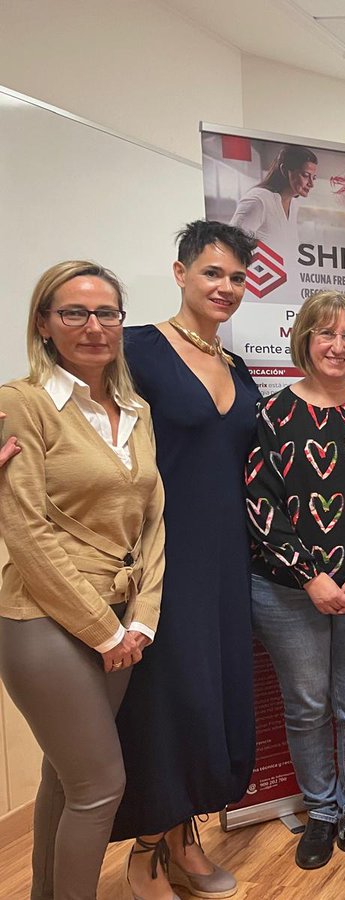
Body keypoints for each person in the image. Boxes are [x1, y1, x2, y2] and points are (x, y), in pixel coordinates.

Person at [0, 261, 165, 900]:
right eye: (74, 313)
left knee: (63, 780)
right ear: (45, 324)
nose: (93, 327)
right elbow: (26, 531)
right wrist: (103, 632)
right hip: (43, 619)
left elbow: (153, 523)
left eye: (107, 314)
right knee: (99, 788)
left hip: (124, 621)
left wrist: (141, 617)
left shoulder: (135, 409)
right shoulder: (23, 402)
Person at [115, 221, 260, 900]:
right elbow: (68, 412)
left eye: (236, 277)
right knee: (165, 699)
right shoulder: (137, 347)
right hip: (162, 555)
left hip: (230, 556)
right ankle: (147, 846)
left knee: (212, 695)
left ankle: (184, 836)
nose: (225, 287)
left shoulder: (238, 369)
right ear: (180, 274)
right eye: (212, 272)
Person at [247, 291, 345, 878]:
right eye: (325, 333)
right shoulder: (271, 415)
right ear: (306, 342)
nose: (338, 346)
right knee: (308, 706)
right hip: (290, 593)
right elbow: (260, 505)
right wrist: (309, 576)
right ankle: (320, 812)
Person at [229, 144, 318, 262]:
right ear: (285, 170)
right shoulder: (259, 200)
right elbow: (231, 246)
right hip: (261, 279)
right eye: (305, 175)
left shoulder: (294, 205)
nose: (311, 184)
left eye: (314, 177)